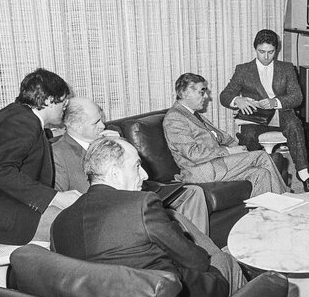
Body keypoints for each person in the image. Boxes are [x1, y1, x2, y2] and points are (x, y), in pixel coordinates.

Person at [50, 136, 246, 297]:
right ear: (114, 173)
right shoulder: (141, 204)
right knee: (223, 260)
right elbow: (198, 262)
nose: (145, 175)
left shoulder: (59, 223)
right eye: (136, 166)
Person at [52, 97, 211, 235]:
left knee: (193, 193)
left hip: (141, 193)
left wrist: (122, 144)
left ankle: (198, 250)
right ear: (77, 127)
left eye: (101, 119)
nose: (102, 126)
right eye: (96, 122)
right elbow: (57, 200)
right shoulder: (58, 154)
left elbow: (138, 171)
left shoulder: (111, 137)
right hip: (112, 210)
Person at [0, 68, 80, 245]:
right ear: (47, 100)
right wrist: (56, 198)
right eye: (63, 103)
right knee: (79, 227)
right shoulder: (22, 122)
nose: (65, 108)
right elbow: (1, 172)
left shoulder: (19, 115)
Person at [219, 29, 309, 192]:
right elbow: (225, 95)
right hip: (256, 118)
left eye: (270, 52)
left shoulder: (286, 68)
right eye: (261, 52)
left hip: (282, 114)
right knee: (248, 136)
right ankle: (248, 171)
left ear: (276, 50)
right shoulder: (243, 70)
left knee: (294, 125)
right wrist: (238, 100)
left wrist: (275, 102)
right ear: (255, 49)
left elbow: (297, 97)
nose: (265, 56)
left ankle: (303, 172)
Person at [163, 73, 288, 197]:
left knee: (262, 173)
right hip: (202, 171)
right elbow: (192, 154)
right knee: (262, 156)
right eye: (201, 92)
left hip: (216, 164)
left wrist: (238, 149)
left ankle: (262, 215)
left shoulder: (193, 114)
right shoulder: (175, 117)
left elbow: (222, 137)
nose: (206, 96)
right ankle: (285, 200)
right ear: (185, 93)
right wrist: (229, 151)